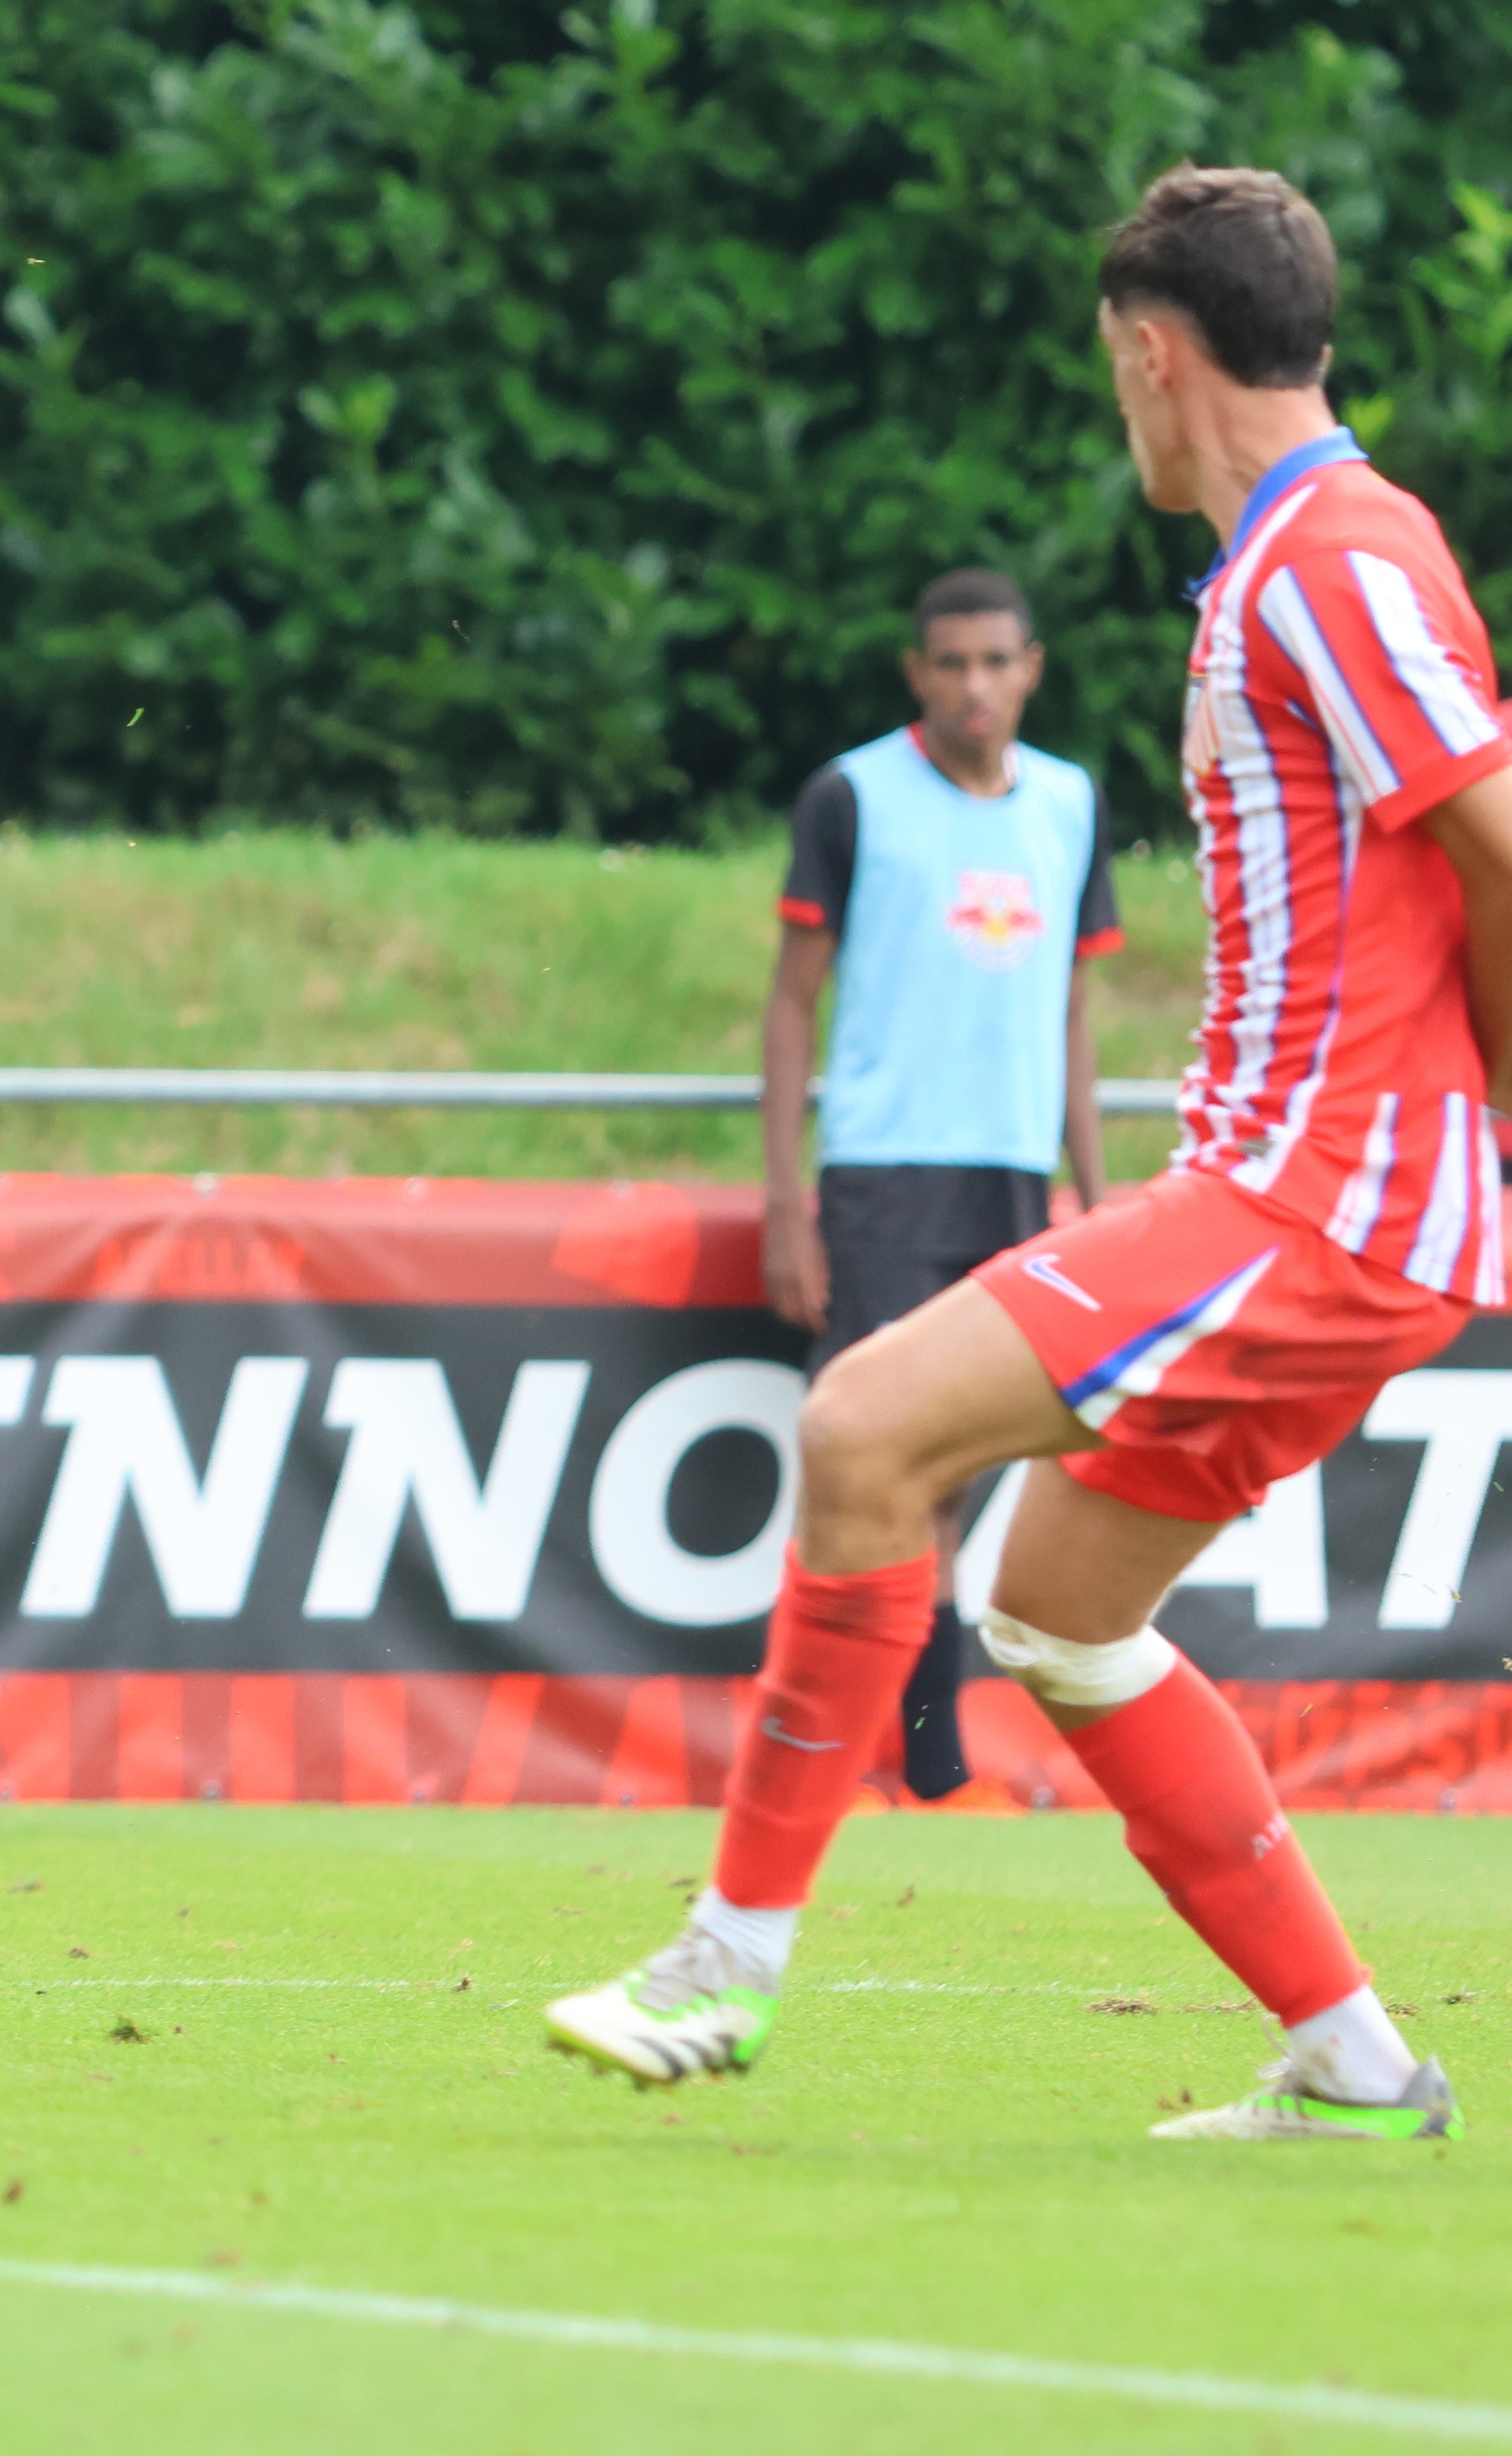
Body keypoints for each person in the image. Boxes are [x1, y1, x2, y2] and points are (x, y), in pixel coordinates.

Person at [549, 166, 1503, 2141]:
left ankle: (722, 1966)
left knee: (855, 1430)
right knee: (1057, 1609)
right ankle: (1350, 2067)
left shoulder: (1330, 557)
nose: (1114, 403)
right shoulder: (1299, 551)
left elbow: (1496, 836)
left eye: (1109, 368)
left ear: (1152, 355)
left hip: (1311, 1195)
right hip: (1315, 1189)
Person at [761, 566, 1119, 1808]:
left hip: (1011, 1175)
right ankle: (820, 1749)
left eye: (995, 662)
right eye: (949, 664)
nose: (974, 687)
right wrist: (783, 1201)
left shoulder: (1069, 803)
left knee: (959, 1476)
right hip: (879, 1171)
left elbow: (1073, 1006)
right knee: (862, 1454)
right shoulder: (852, 794)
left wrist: (1095, 1190)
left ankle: (925, 1761)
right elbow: (792, 998)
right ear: (917, 674)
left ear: (1031, 668)